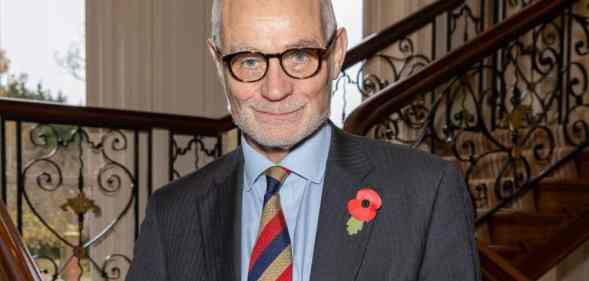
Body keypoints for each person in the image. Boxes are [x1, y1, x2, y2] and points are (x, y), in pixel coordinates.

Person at [126, 0, 481, 280]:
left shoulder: (425, 194)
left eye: (299, 56)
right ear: (218, 63)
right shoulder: (172, 214)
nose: (275, 89)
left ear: (337, 53)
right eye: (248, 61)